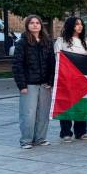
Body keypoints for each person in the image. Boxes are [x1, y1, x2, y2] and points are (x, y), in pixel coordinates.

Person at [12, 15, 55, 149]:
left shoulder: (47, 42)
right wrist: (22, 85)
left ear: (41, 25)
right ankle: (26, 140)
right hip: (29, 84)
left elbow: (52, 63)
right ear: (27, 25)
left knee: (43, 114)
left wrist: (51, 81)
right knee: (28, 114)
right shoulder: (22, 43)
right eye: (32, 23)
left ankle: (40, 139)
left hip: (45, 84)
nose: (35, 25)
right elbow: (17, 65)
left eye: (37, 23)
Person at [54, 17, 87, 142]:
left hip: (82, 79)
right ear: (70, 25)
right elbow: (58, 60)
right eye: (77, 24)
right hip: (67, 79)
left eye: (81, 24)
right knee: (66, 105)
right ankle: (66, 132)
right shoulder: (61, 41)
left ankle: (81, 131)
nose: (80, 26)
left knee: (82, 106)